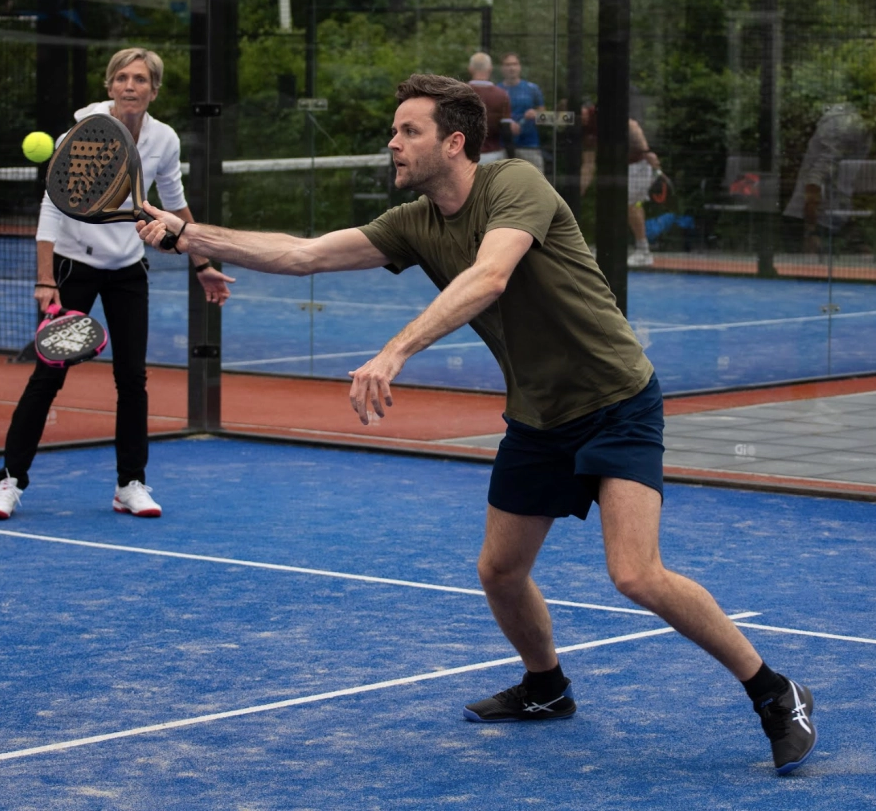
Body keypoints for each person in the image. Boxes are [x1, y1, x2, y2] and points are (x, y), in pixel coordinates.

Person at [136, 73, 817, 776]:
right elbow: (303, 253)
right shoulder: (411, 224)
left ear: (454, 142)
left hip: (615, 398)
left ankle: (774, 692)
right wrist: (190, 234)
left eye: (408, 131)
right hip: (538, 415)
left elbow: (490, 277)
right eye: (394, 131)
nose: (392, 143)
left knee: (635, 574)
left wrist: (395, 351)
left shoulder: (514, 184)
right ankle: (547, 688)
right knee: (499, 570)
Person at [0, 47, 234, 520]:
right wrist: (45, 279)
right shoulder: (80, 134)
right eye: (122, 78)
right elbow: (52, 205)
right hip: (73, 268)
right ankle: (10, 483)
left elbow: (175, 208)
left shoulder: (163, 139)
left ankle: (130, 484)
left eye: (140, 79)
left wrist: (202, 263)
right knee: (47, 376)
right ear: (109, 86)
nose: (130, 86)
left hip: (127, 271)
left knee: (132, 379)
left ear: (154, 91)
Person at [580, 104, 663, 266]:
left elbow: (632, 125)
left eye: (579, 114)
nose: (579, 119)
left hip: (637, 164)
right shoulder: (583, 130)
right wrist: (579, 190)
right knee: (609, 205)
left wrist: (647, 153)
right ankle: (606, 248)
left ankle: (643, 251)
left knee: (630, 205)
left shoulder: (598, 112)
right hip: (615, 168)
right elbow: (589, 164)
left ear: (582, 110)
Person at [783, 102, 872, 255]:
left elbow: (820, 171)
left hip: (822, 209)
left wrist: (811, 230)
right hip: (830, 206)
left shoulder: (838, 125)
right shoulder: (854, 125)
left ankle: (815, 240)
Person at [466, 52, 519, 165]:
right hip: (493, 155)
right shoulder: (502, 95)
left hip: (466, 155)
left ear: (470, 69)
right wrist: (512, 158)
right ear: (490, 69)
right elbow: (506, 131)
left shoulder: (460, 93)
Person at [498, 52, 546, 172]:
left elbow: (543, 114)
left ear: (520, 67)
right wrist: (507, 124)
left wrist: (535, 113)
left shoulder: (532, 88)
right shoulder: (497, 90)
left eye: (515, 64)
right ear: (502, 68)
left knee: (536, 185)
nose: (511, 68)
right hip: (504, 146)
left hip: (530, 145)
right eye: (508, 64)